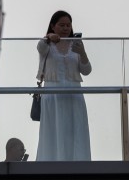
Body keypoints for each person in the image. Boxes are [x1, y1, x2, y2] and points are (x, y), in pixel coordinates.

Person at [35, 10, 92, 161]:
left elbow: (86, 71)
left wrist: (83, 52)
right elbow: (40, 46)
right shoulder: (47, 45)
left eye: (68, 25)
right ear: (53, 26)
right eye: (62, 25)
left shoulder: (75, 45)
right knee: (54, 132)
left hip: (74, 97)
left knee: (75, 132)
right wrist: (48, 37)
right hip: (53, 97)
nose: (66, 28)